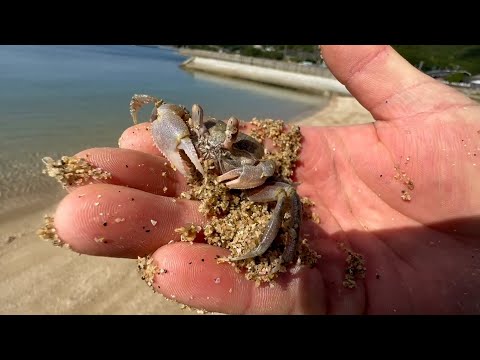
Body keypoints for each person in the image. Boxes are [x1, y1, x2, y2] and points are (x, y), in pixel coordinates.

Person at [51, 45, 480, 314]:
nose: (222, 143)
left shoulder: (253, 157)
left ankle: (269, 246)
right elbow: (161, 109)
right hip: (200, 145)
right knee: (163, 117)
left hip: (251, 180)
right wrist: (186, 147)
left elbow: (271, 177)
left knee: (285, 197)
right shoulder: (198, 126)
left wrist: (240, 177)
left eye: (233, 140)